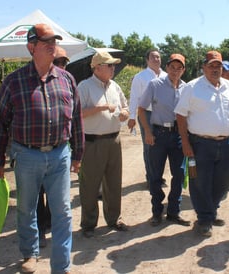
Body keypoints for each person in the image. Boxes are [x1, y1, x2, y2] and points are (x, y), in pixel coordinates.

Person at [0, 23, 84, 273]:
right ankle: (30, 253)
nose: (52, 46)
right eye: (46, 43)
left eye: (53, 41)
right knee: (26, 207)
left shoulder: (67, 79)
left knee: (63, 211)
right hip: (26, 154)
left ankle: (61, 266)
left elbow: (76, 119)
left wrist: (78, 153)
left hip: (59, 154)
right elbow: (0, 122)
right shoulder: (14, 82)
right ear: (31, 47)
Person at [174, 51, 229, 237]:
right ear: (203, 67)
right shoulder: (192, 87)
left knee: (224, 181)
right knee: (200, 182)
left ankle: (211, 210)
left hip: (225, 143)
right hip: (200, 144)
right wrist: (186, 144)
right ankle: (204, 219)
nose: (215, 69)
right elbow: (180, 116)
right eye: (211, 65)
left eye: (218, 66)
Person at [77, 51, 129, 238]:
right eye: (109, 65)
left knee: (114, 183)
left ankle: (114, 218)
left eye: (113, 65)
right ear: (97, 67)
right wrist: (102, 108)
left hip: (114, 140)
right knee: (90, 185)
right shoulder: (85, 86)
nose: (113, 68)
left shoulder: (114, 86)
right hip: (93, 142)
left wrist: (124, 113)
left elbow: (125, 107)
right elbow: (77, 113)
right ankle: (89, 224)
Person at [138, 53, 190, 227]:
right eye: (172, 67)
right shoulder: (155, 84)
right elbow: (141, 109)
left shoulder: (186, 88)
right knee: (156, 176)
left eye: (179, 68)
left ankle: (174, 212)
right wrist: (147, 132)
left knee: (179, 174)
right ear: (167, 68)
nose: (175, 71)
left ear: (183, 70)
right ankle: (157, 212)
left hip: (178, 136)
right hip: (159, 135)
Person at [36, 45, 71, 248]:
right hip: (34, 152)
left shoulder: (67, 82)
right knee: (36, 197)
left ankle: (52, 229)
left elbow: (73, 118)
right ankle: (39, 232)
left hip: (60, 150)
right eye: (58, 62)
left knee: (59, 198)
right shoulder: (29, 81)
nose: (61, 65)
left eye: (64, 62)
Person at [128, 49, 167, 187]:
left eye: (158, 57)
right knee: (149, 146)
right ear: (147, 60)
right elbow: (134, 98)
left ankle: (158, 176)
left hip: (163, 115)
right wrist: (132, 117)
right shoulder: (140, 77)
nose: (156, 59)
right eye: (153, 57)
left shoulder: (166, 76)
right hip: (147, 114)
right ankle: (151, 177)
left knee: (161, 146)